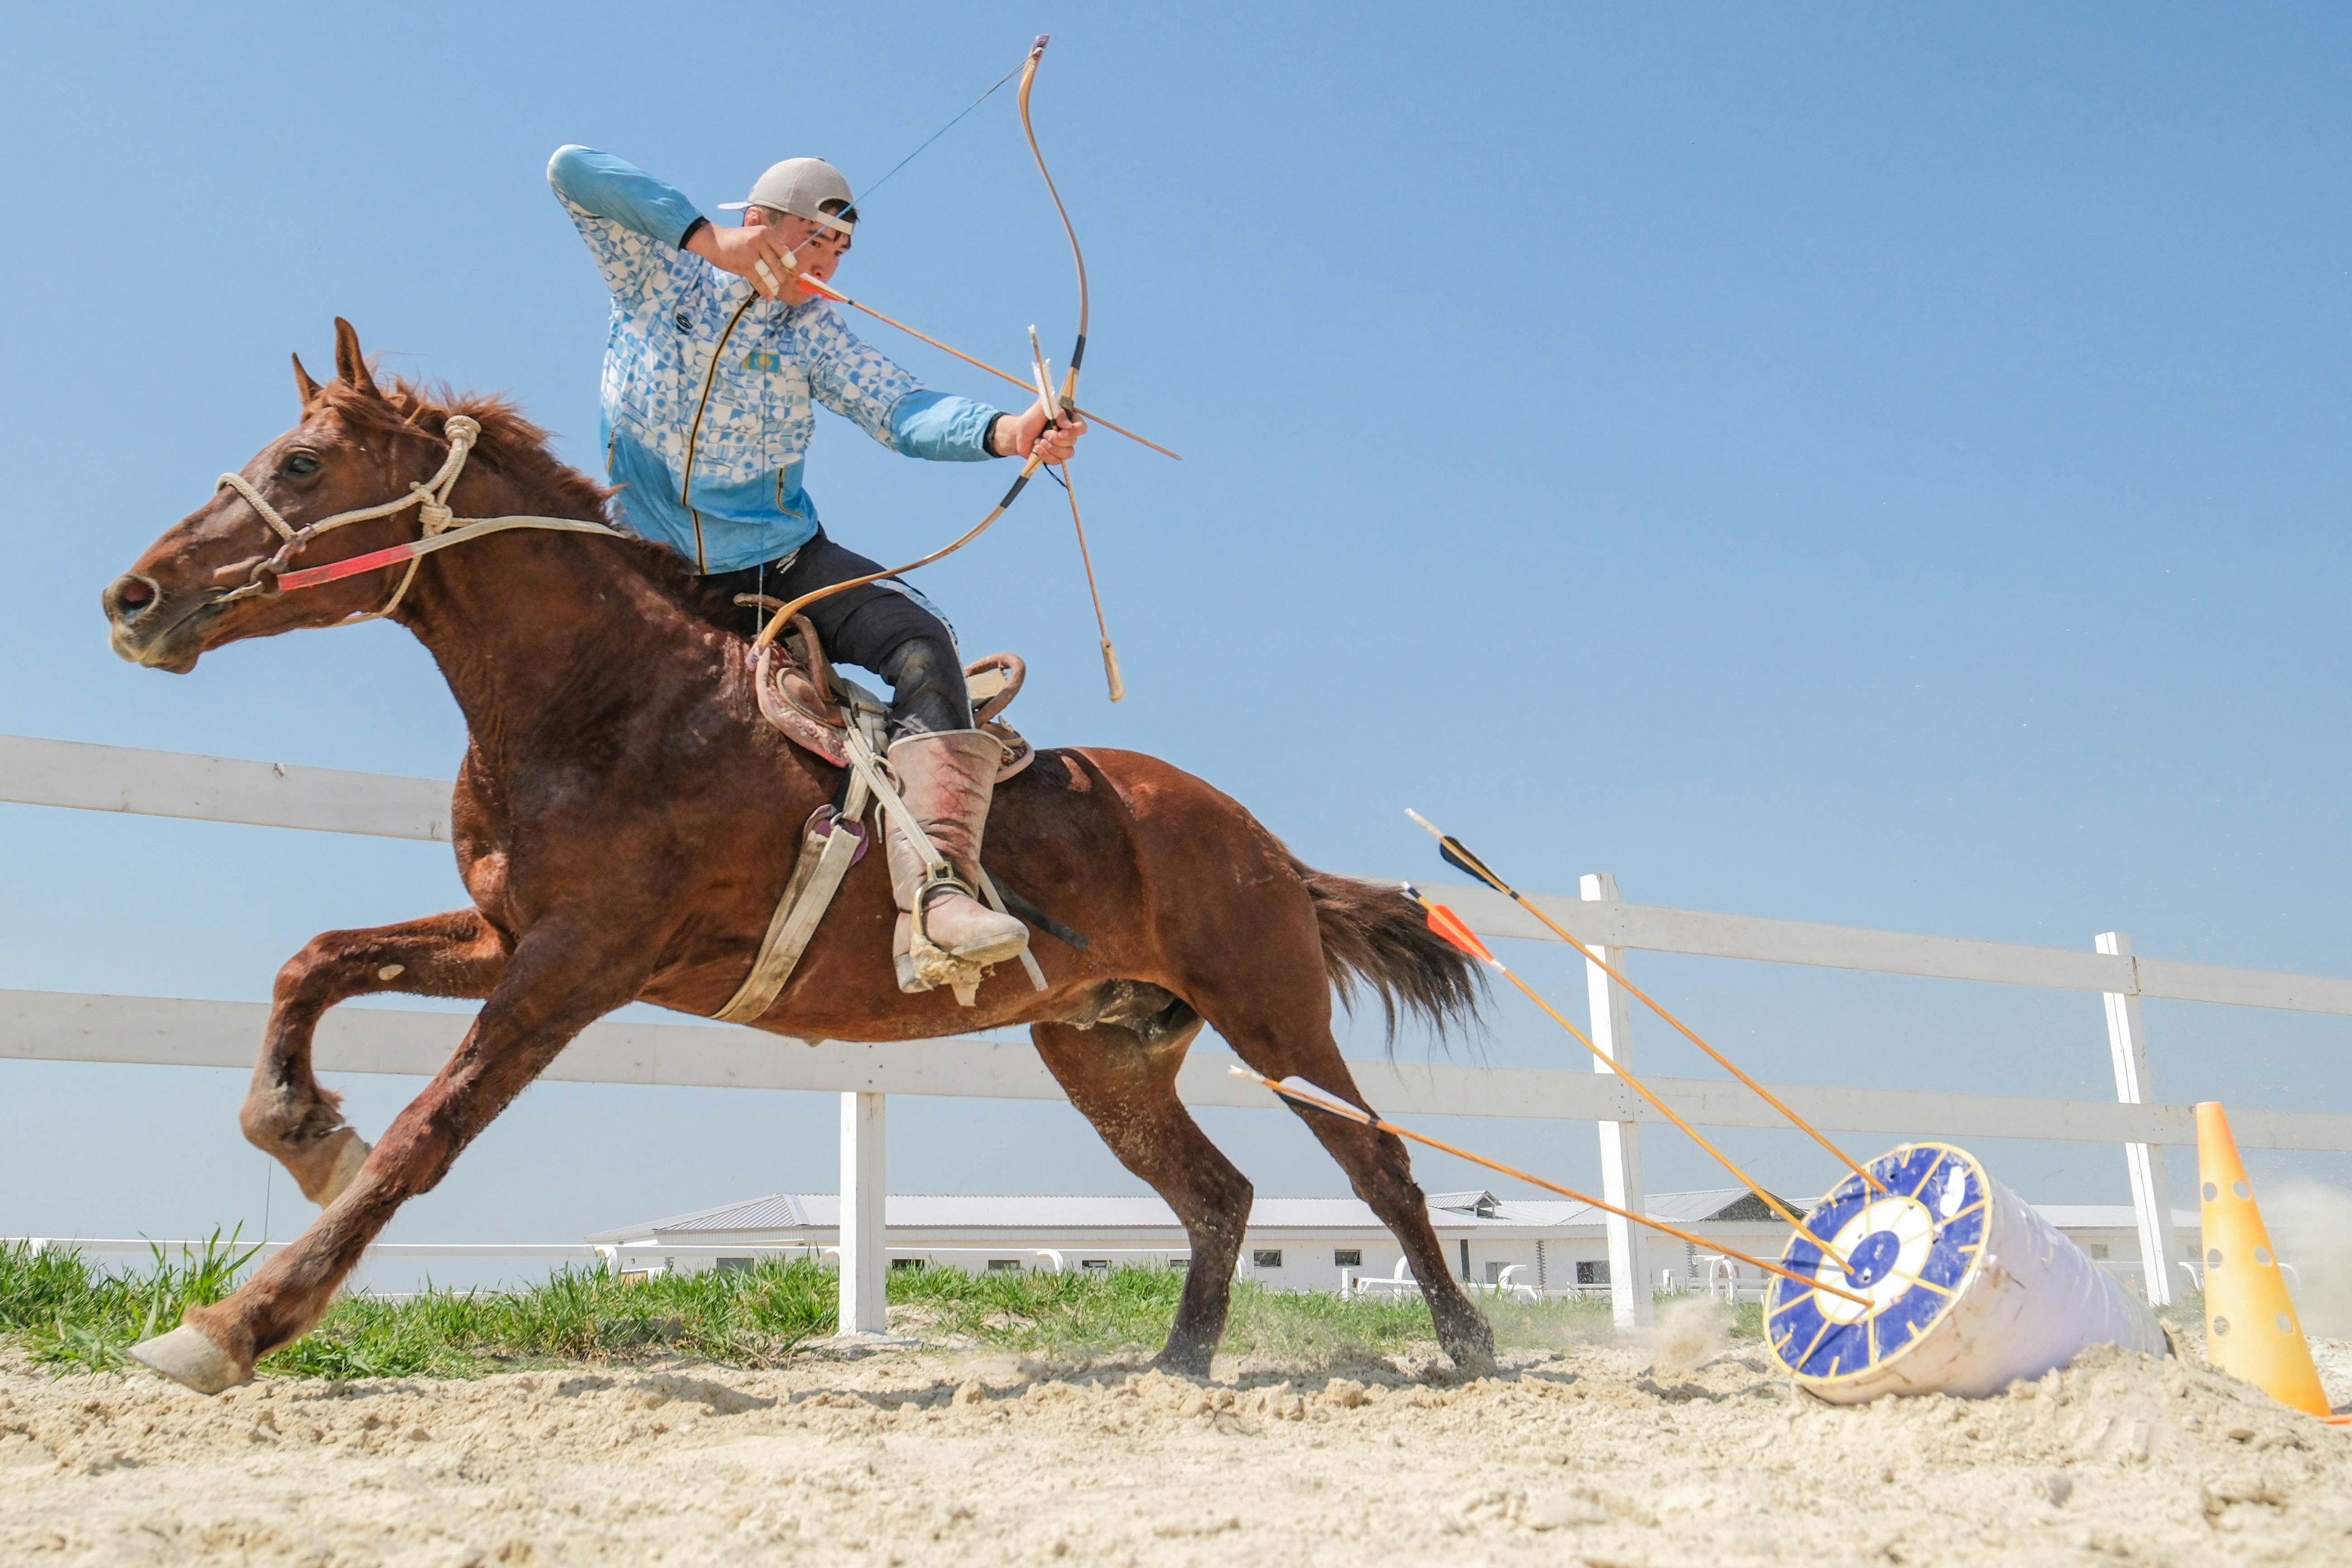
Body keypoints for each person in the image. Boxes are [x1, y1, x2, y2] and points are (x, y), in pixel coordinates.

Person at [548, 146, 1087, 987]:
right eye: (814, 236)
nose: (828, 260)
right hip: (645, 568)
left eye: (840, 247)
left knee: (920, 638)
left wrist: (1008, 433)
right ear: (756, 222)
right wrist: (703, 239)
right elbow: (570, 170)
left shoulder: (816, 336)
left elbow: (902, 410)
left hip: (777, 562)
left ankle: (936, 902)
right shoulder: (661, 279)